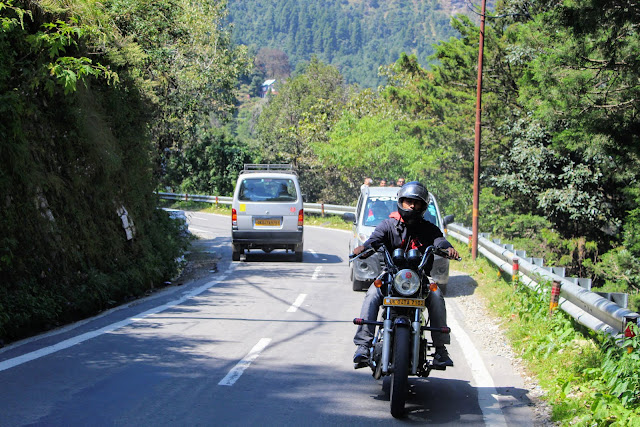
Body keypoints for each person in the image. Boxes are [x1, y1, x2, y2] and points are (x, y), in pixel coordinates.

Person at [352, 181, 459, 368]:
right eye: (408, 201)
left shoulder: (428, 228)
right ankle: (363, 345)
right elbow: (374, 240)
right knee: (372, 294)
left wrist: (448, 248)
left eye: (416, 203)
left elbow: (439, 240)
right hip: (391, 275)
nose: (412, 206)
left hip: (419, 278)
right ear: (401, 202)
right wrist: (364, 248)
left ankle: (441, 350)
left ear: (423, 207)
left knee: (435, 296)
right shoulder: (388, 225)